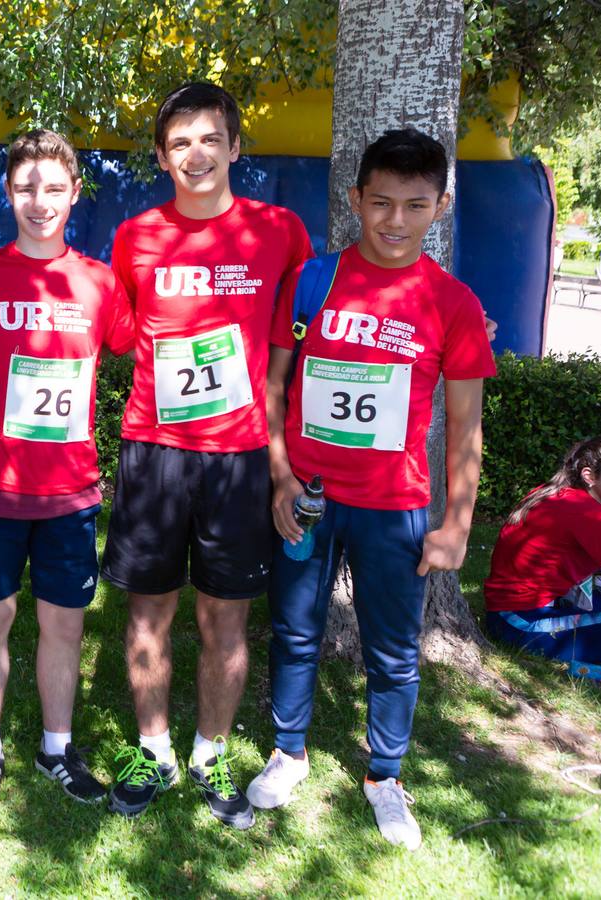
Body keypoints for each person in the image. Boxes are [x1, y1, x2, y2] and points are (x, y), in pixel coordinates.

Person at [249, 128, 496, 850]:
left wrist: (455, 523)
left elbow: (464, 425)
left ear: (440, 206)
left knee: (393, 650)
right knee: (295, 630)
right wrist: (279, 474)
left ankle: (383, 774)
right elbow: (271, 386)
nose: (393, 221)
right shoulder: (313, 281)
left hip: (395, 509)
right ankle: (287, 752)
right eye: (380, 203)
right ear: (355, 198)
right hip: (308, 500)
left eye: (414, 206)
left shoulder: (450, 302)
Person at [101, 82, 313, 828]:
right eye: (179, 141)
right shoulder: (135, 237)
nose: (196, 153)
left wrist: (279, 448)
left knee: (226, 619)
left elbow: (288, 340)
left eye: (209, 138)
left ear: (232, 146)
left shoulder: (279, 232)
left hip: (237, 457)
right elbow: (123, 330)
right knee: (148, 612)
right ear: (162, 156)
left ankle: (209, 752)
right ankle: (152, 749)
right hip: (154, 450)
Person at [0, 130, 135, 811]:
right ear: (7, 192)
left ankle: (56, 746)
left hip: (69, 491)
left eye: (53, 188)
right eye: (26, 187)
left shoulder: (98, 281)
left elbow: (139, 340)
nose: (39, 202)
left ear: (74, 194)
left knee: (64, 626)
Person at [484, 437, 601, 665]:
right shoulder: (589, 515)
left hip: (519, 613)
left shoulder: (560, 494)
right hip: (523, 624)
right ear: (590, 476)